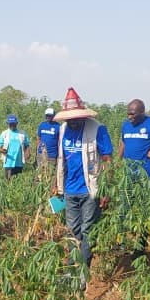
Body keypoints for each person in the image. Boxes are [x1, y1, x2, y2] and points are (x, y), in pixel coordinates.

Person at [52, 88, 113, 269]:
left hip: (90, 189)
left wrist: (106, 190)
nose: (72, 122)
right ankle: (73, 267)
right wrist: (56, 184)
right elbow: (61, 160)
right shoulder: (63, 129)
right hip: (69, 189)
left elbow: (108, 160)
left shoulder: (98, 129)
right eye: (69, 119)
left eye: (76, 118)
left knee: (87, 229)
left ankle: (83, 270)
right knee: (72, 230)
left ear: (83, 116)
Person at [0, 114, 30, 179]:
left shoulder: (22, 133)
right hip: (8, 161)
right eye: (10, 124)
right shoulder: (4, 133)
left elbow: (27, 145)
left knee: (18, 179)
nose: (12, 126)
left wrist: (28, 153)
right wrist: (2, 150)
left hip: (19, 161)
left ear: (17, 123)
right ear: (7, 124)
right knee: (8, 179)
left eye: (14, 124)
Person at [35, 107, 60, 176]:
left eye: (50, 115)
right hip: (41, 153)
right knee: (40, 173)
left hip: (52, 155)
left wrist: (59, 155)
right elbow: (38, 138)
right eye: (47, 115)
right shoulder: (42, 125)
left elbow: (59, 141)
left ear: (54, 116)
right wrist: (37, 152)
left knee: (50, 173)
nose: (48, 117)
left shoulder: (58, 126)